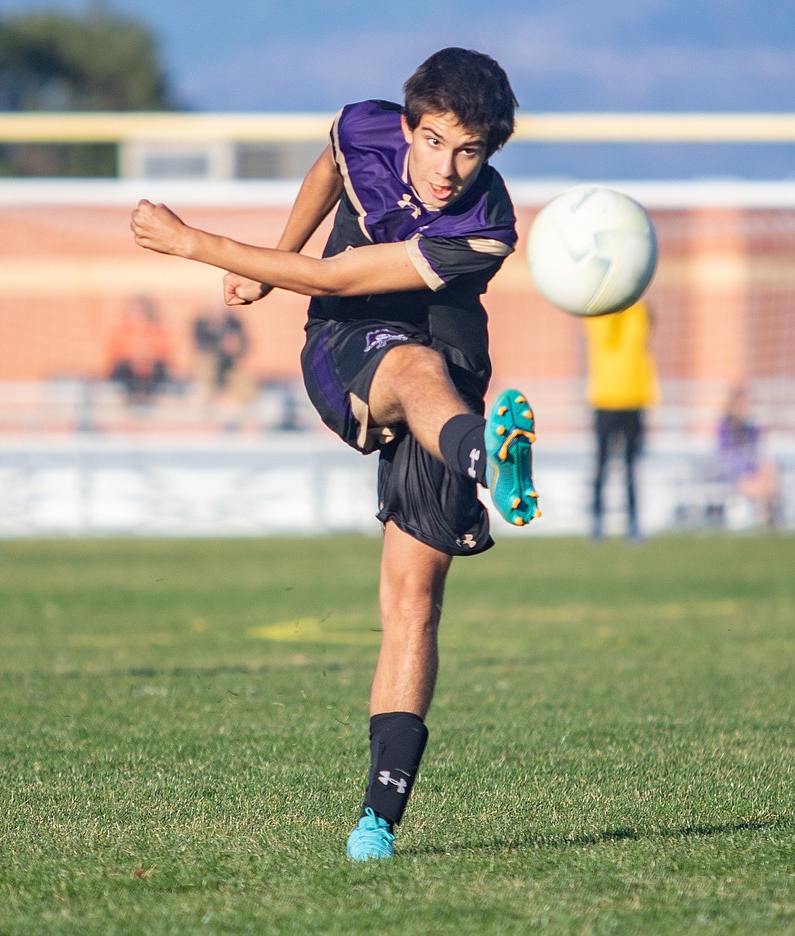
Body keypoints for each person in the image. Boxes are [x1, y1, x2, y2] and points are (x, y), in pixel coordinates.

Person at [130, 48, 539, 861]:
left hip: (435, 362)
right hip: (346, 348)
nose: (449, 169)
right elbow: (330, 171)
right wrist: (271, 264)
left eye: (471, 151)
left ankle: (376, 823)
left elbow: (343, 273)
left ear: (490, 153)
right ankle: (486, 461)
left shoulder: (486, 226)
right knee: (410, 365)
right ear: (406, 127)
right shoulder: (364, 127)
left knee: (413, 603)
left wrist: (194, 244)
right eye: (434, 143)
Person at [583, 299, 660, 541]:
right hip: (604, 399)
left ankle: (633, 521)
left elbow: (644, 350)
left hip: (634, 399)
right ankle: (597, 520)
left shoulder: (640, 312)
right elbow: (603, 331)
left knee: (631, 466)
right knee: (602, 464)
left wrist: (651, 397)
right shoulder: (599, 313)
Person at [716, 385, 779, 527]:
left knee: (769, 469)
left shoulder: (751, 429)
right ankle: (765, 516)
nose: (745, 409)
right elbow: (726, 461)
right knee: (761, 483)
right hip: (735, 475)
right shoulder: (725, 430)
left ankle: (766, 515)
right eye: (741, 405)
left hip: (753, 473)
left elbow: (759, 452)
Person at [106, 295, 172, 406]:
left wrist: (147, 356)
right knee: (122, 370)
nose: (139, 312)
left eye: (142, 309)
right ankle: (132, 399)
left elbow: (163, 349)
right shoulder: (122, 328)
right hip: (129, 367)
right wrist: (133, 356)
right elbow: (116, 349)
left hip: (149, 366)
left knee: (159, 370)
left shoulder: (155, 328)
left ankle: (148, 399)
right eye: (136, 309)